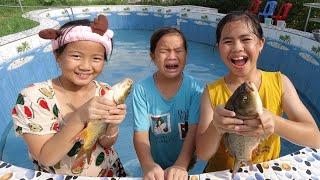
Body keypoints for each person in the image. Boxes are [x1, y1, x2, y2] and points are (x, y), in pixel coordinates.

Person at [196, 11, 320, 173]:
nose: (237, 47)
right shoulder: (212, 92)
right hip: (222, 173)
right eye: (227, 41)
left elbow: (315, 138)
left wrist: (276, 123)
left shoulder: (280, 82)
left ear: (261, 44)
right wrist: (216, 126)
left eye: (246, 39)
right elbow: (202, 154)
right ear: (218, 47)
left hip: (265, 171)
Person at [11, 15, 127, 177]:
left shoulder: (104, 92)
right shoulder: (33, 98)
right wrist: (81, 116)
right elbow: (46, 158)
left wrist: (113, 125)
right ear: (57, 55)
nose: (86, 66)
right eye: (76, 56)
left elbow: (105, 143)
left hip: (108, 171)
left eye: (96, 58)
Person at [132, 27, 203, 180]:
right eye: (164, 51)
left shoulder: (196, 89)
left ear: (186, 54)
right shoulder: (141, 89)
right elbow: (140, 134)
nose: (172, 56)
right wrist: (147, 164)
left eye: (178, 50)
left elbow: (193, 132)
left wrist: (181, 165)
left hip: (187, 163)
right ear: (152, 56)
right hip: (154, 163)